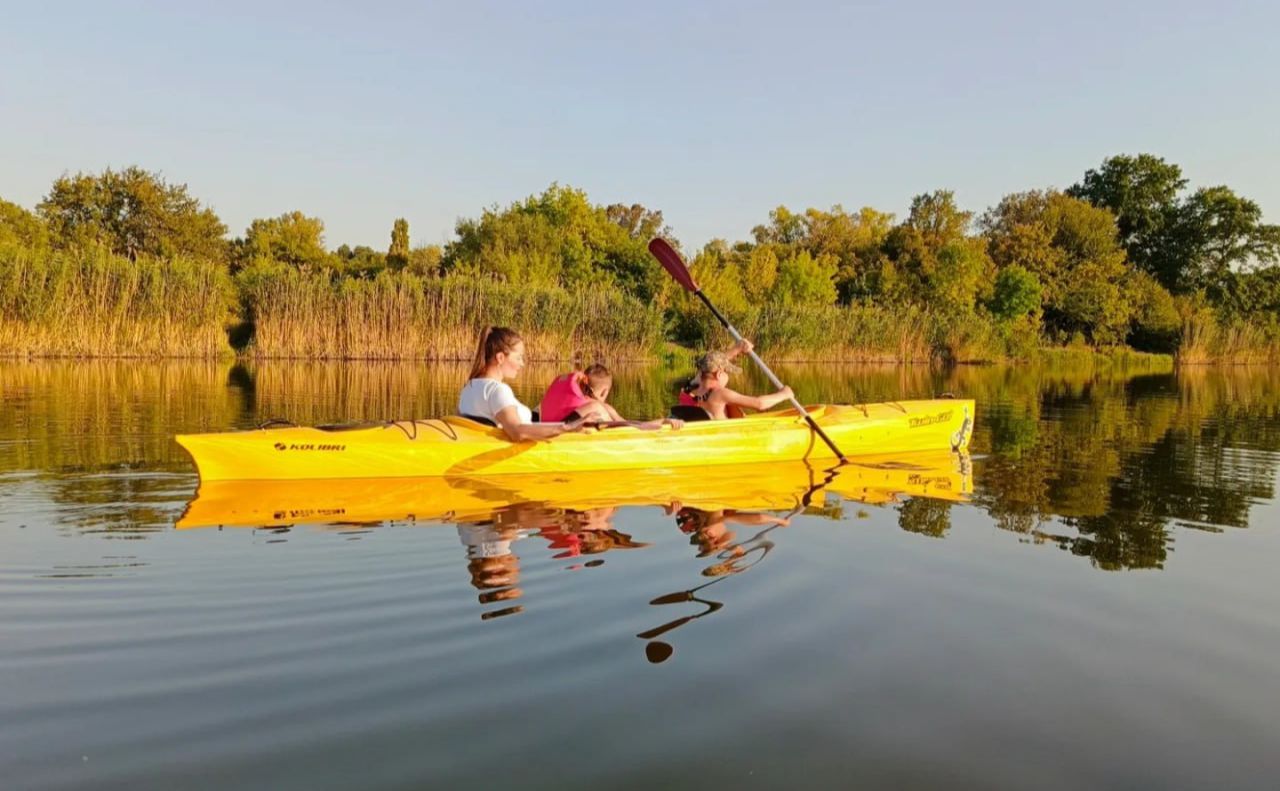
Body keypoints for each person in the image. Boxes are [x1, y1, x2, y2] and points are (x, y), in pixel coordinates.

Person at [459, 326, 588, 441]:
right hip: (526, 448)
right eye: (518, 357)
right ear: (500, 358)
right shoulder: (497, 390)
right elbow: (517, 433)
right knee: (593, 407)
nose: (522, 364)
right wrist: (564, 428)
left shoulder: (469, 387)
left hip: (491, 441)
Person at [540, 363, 684, 429]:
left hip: (543, 431)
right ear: (604, 392)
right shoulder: (598, 407)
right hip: (559, 436)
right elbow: (633, 427)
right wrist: (663, 422)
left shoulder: (568, 398)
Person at [679, 338, 794, 420]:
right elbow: (759, 403)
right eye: (727, 372)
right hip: (723, 441)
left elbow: (709, 365)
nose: (728, 376)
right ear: (719, 374)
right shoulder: (720, 394)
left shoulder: (690, 388)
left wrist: (737, 349)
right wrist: (784, 394)